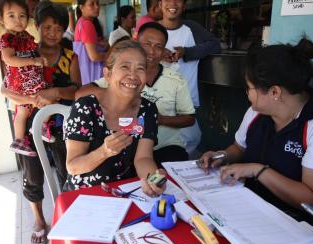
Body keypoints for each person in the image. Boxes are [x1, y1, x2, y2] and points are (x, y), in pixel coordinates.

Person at [199, 40, 313, 226]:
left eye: (249, 88)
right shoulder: (256, 112)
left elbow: (312, 199)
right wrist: (221, 155)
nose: (247, 94)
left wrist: (257, 170)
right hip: (249, 206)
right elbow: (239, 148)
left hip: (294, 225)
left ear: (274, 92)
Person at [1, 0, 81, 244]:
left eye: (58, 28)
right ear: (37, 26)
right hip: (30, 126)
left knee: (67, 171)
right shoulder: (25, 51)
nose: (52, 33)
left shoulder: (70, 56)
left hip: (61, 126)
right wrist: (26, 98)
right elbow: (5, 89)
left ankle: (71, 213)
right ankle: (38, 220)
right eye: (47, 27)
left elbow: (77, 90)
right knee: (33, 175)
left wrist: (55, 92)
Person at [76, 22, 195, 167]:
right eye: (147, 44)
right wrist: (119, 93)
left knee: (166, 171)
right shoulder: (121, 76)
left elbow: (189, 118)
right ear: (136, 43)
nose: (152, 51)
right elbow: (81, 94)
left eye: (158, 47)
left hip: (166, 146)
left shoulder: (175, 80)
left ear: (164, 50)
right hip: (130, 146)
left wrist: (156, 120)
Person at [64, 40, 166, 197]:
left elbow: (143, 158)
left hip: (126, 191)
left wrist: (153, 179)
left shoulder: (146, 110)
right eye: (125, 67)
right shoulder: (86, 108)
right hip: (86, 194)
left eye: (140, 68)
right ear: (107, 74)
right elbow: (73, 166)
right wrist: (104, 152)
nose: (133, 75)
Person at [159, 0, 221, 155]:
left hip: (186, 101)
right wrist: (158, 52)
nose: (172, 3)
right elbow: (138, 53)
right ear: (160, 4)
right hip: (157, 98)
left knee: (190, 139)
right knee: (157, 141)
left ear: (184, 5)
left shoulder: (191, 28)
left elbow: (214, 45)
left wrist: (187, 52)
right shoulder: (152, 29)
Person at [0, 0, 53, 157]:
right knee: (22, 110)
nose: (18, 20)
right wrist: (33, 61)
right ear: (1, 19)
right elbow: (9, 60)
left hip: (33, 82)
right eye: (11, 16)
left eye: (22, 16)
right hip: (20, 84)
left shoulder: (26, 37)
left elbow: (35, 51)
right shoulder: (7, 39)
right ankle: (19, 140)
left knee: (47, 102)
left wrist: (40, 59)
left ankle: (40, 127)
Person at [74, 0, 108, 85]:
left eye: (97, 3)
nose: (97, 7)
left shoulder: (80, 23)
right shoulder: (87, 24)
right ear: (81, 7)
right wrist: (111, 54)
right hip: (93, 76)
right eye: (92, 4)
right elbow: (94, 57)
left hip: (85, 75)